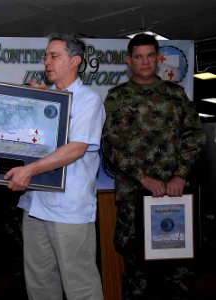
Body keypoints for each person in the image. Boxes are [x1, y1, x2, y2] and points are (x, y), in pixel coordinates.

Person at [101, 33, 206, 300]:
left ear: (158, 59)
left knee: (179, 273)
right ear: (129, 60)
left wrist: (180, 175)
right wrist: (143, 178)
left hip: (175, 196)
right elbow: (112, 145)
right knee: (137, 274)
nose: (145, 62)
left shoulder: (176, 95)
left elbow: (194, 137)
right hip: (135, 197)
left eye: (150, 55)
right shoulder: (117, 96)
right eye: (138, 56)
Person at [4, 34, 105, 300]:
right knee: (40, 284)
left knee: (80, 286)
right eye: (45, 56)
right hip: (36, 204)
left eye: (54, 56)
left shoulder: (88, 100)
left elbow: (76, 148)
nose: (46, 62)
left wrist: (29, 170)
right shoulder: (51, 98)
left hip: (68, 208)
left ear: (75, 61)